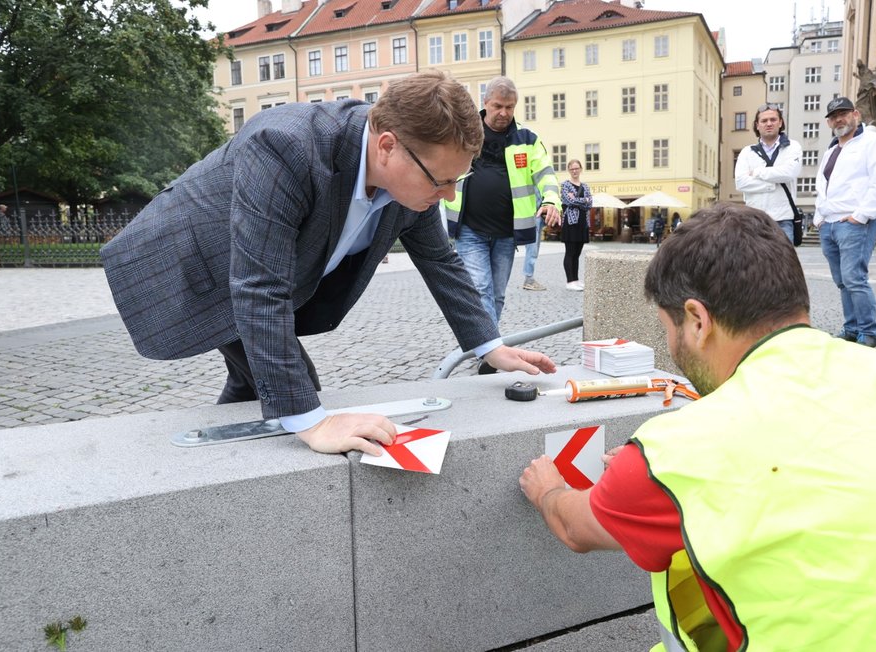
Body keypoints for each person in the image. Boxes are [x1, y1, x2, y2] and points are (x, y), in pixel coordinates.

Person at [520, 203, 876, 652]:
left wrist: (548, 490)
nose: (671, 347)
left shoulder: (679, 451)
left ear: (697, 320)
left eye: (667, 329)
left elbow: (575, 527)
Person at [101, 71, 556, 456]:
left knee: (256, 383)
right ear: (387, 146)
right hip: (193, 258)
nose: (450, 195)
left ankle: (221, 464)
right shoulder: (285, 145)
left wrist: (488, 346)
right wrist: (313, 425)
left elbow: (440, 260)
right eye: (441, 180)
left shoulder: (408, 183)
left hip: (256, 269)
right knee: (297, 392)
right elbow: (259, 286)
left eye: (458, 180)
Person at [444, 76, 561, 320]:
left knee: (497, 294)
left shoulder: (527, 139)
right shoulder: (465, 132)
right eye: (498, 106)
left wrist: (551, 200)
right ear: (486, 102)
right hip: (469, 229)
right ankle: (489, 352)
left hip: (507, 232)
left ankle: (489, 347)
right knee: (481, 289)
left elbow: (546, 174)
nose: (503, 113)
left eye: (509, 107)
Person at [814, 96, 876, 348]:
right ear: (829, 122)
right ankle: (851, 328)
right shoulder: (832, 150)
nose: (839, 119)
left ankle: (869, 332)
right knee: (842, 282)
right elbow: (823, 187)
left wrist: (860, 216)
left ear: (856, 114)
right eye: (833, 116)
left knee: (854, 279)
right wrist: (819, 218)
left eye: (843, 113)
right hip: (829, 224)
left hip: (854, 223)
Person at [734, 103, 803, 243]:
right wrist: (772, 185)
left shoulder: (792, 147)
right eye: (764, 121)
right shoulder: (747, 152)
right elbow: (741, 183)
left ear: (780, 122)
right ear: (757, 125)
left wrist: (758, 172)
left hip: (783, 220)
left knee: (784, 264)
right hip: (754, 221)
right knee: (753, 264)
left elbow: (789, 172)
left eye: (773, 119)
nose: (769, 124)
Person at [559, 159, 592, 291]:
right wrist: (584, 200)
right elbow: (568, 200)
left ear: (580, 169)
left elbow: (590, 203)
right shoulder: (565, 185)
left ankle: (576, 279)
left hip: (583, 222)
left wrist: (579, 200)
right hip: (571, 222)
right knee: (570, 251)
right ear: (569, 170)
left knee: (577, 253)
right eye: (572, 169)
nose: (574, 171)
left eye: (576, 168)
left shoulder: (585, 186)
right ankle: (569, 281)